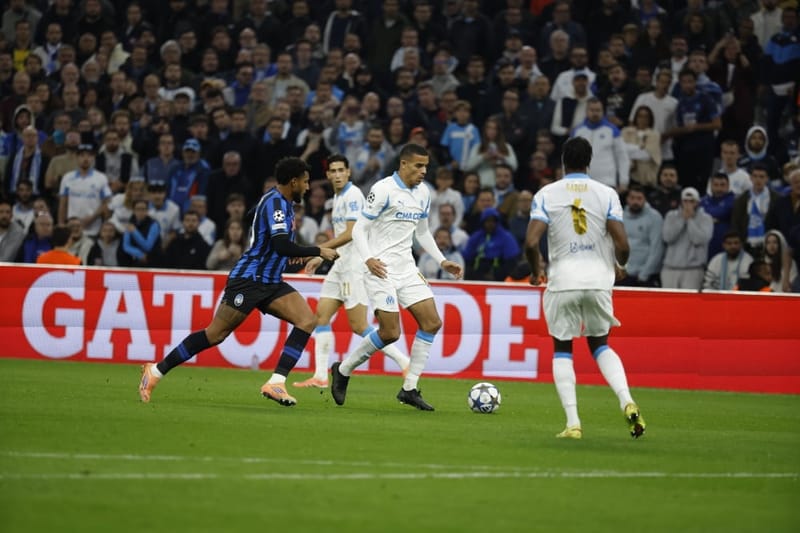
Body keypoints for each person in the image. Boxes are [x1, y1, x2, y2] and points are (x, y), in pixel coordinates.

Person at [139, 157, 338, 405]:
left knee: (307, 320)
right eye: (306, 182)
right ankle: (155, 370)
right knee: (215, 335)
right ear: (294, 181)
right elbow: (281, 244)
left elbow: (252, 218)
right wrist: (318, 251)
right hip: (249, 280)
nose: (308, 187)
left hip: (271, 281)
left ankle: (276, 383)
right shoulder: (276, 203)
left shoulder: (280, 201)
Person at [524, 136, 645, 440]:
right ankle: (626, 400)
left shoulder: (546, 194)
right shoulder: (606, 194)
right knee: (600, 344)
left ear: (563, 162)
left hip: (563, 281)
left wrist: (535, 270)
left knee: (562, 347)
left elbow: (530, 241)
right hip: (598, 280)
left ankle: (573, 423)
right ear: (589, 162)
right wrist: (621, 266)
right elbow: (623, 243)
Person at [329, 144, 463, 411]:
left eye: (426, 166)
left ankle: (409, 388)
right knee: (390, 332)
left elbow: (422, 232)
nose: (424, 171)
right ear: (403, 164)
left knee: (432, 322)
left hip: (407, 268)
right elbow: (359, 230)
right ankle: (343, 370)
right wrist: (368, 259)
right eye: (418, 166)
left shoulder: (424, 193)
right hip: (379, 268)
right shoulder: (382, 190)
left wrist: (442, 260)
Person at [297, 155, 411, 389]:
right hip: (339, 266)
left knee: (359, 325)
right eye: (333, 171)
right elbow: (342, 235)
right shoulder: (337, 197)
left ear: (348, 172)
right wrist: (321, 257)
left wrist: (320, 249)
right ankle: (320, 375)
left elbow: (351, 233)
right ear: (328, 175)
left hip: (354, 268)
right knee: (320, 318)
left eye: (341, 170)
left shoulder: (353, 196)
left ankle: (404, 361)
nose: (337, 174)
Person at [661, 187, 714, 291]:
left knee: (688, 304)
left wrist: (690, 220)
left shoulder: (706, 218)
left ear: (697, 202)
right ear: (681, 202)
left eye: (692, 201)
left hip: (693, 270)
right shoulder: (671, 216)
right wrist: (682, 220)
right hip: (670, 268)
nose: (688, 204)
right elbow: (667, 237)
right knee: (668, 303)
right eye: (685, 201)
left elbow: (700, 240)